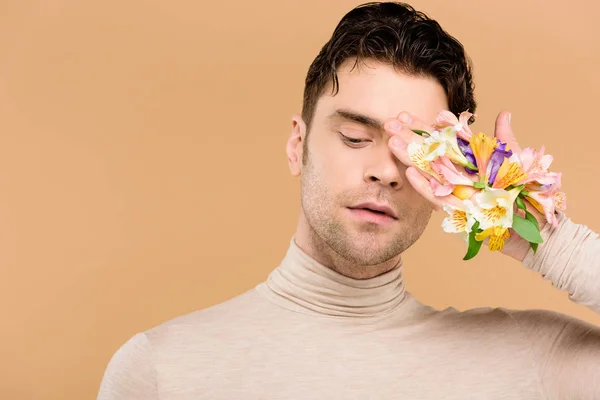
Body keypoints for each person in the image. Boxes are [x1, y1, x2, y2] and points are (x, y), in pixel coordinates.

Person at [97, 2, 600, 399]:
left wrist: (553, 244)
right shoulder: (160, 370)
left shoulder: (533, 359)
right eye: (356, 137)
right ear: (299, 145)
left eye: (415, 155)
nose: (385, 170)